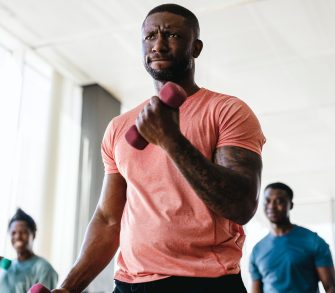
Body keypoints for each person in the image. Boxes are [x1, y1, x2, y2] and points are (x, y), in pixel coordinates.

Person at [53, 3, 265, 293]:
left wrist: (171, 140)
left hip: (203, 282)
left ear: (196, 48)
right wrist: (67, 287)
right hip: (129, 283)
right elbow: (108, 219)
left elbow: (241, 205)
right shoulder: (119, 127)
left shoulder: (227, 111)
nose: (159, 45)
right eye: (150, 36)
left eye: (173, 36)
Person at [249, 182, 335, 293]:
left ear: (290, 205)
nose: (271, 206)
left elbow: (331, 288)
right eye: (267, 201)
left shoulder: (313, 242)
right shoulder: (257, 250)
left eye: (279, 201)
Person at [0, 208, 58, 293]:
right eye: (13, 233)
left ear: (33, 235)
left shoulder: (45, 269)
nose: (17, 236)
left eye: (23, 232)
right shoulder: (7, 265)